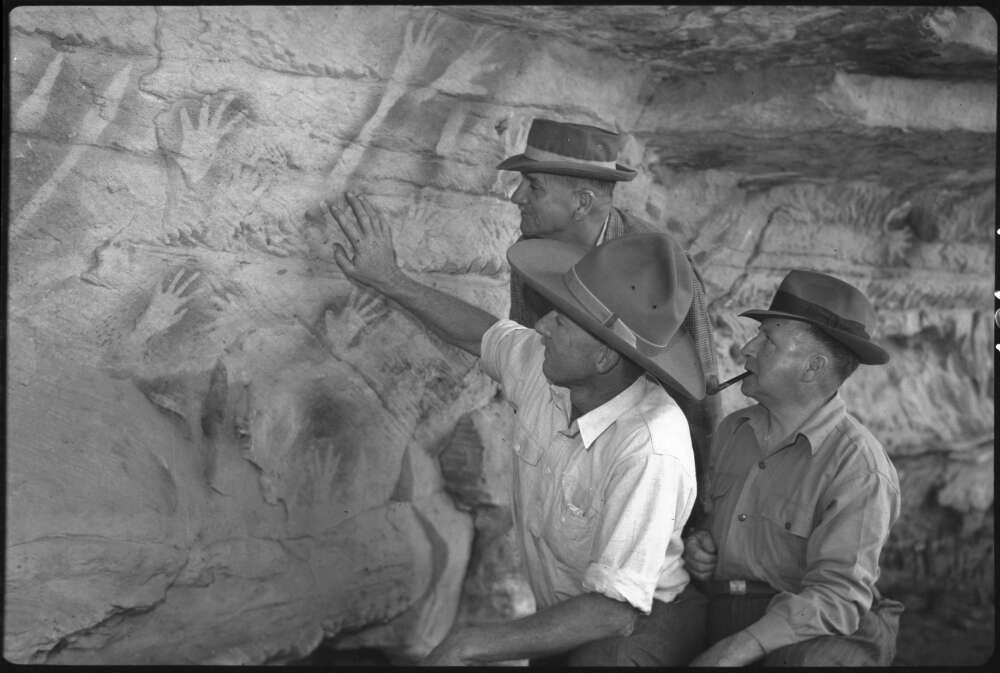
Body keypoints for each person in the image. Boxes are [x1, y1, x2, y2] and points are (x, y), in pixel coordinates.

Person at [323, 192, 708, 665]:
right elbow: (481, 334)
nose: (542, 326)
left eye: (563, 321)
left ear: (605, 356)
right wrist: (390, 279)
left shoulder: (650, 446)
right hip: (571, 609)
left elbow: (614, 611)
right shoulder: (550, 370)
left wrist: (472, 643)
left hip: (643, 619)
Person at [497, 118, 721, 511]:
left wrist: (704, 514)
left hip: (643, 467)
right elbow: (527, 349)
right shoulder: (530, 252)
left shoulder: (662, 268)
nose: (517, 197)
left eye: (533, 186)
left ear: (582, 202)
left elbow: (699, 393)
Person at [682, 269, 904, 666]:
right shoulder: (734, 430)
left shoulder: (859, 467)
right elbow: (712, 526)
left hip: (813, 626)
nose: (746, 349)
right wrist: (701, 542)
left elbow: (838, 598)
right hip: (722, 607)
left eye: (767, 341)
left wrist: (738, 648)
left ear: (812, 368)